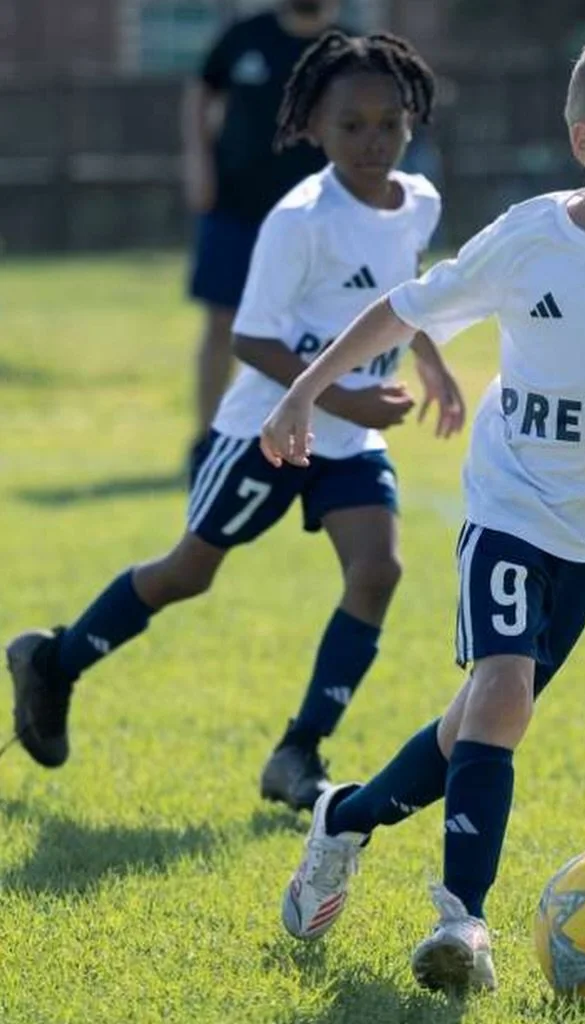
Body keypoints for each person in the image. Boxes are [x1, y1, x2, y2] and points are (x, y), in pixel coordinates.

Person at [261, 23, 585, 992]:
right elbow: (404, 309)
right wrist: (304, 390)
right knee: (502, 698)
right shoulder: (527, 240)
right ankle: (462, 924)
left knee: (473, 723)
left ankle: (343, 819)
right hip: (511, 504)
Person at [5, 30, 464, 814]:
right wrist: (343, 396)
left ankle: (299, 751)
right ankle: (56, 661)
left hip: (347, 442)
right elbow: (251, 338)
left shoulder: (418, 203)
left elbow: (400, 296)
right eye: (350, 124)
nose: (372, 140)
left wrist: (430, 358)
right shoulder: (301, 219)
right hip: (265, 431)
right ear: (312, 127)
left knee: (378, 571)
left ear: (413, 121)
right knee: (190, 571)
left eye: (390, 122)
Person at [182, 0, 350, 464]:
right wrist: (197, 162)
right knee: (221, 323)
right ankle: (209, 438)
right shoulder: (243, 37)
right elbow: (200, 92)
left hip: (316, 222)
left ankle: (305, 439)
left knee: (315, 330)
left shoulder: (349, 49)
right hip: (236, 209)